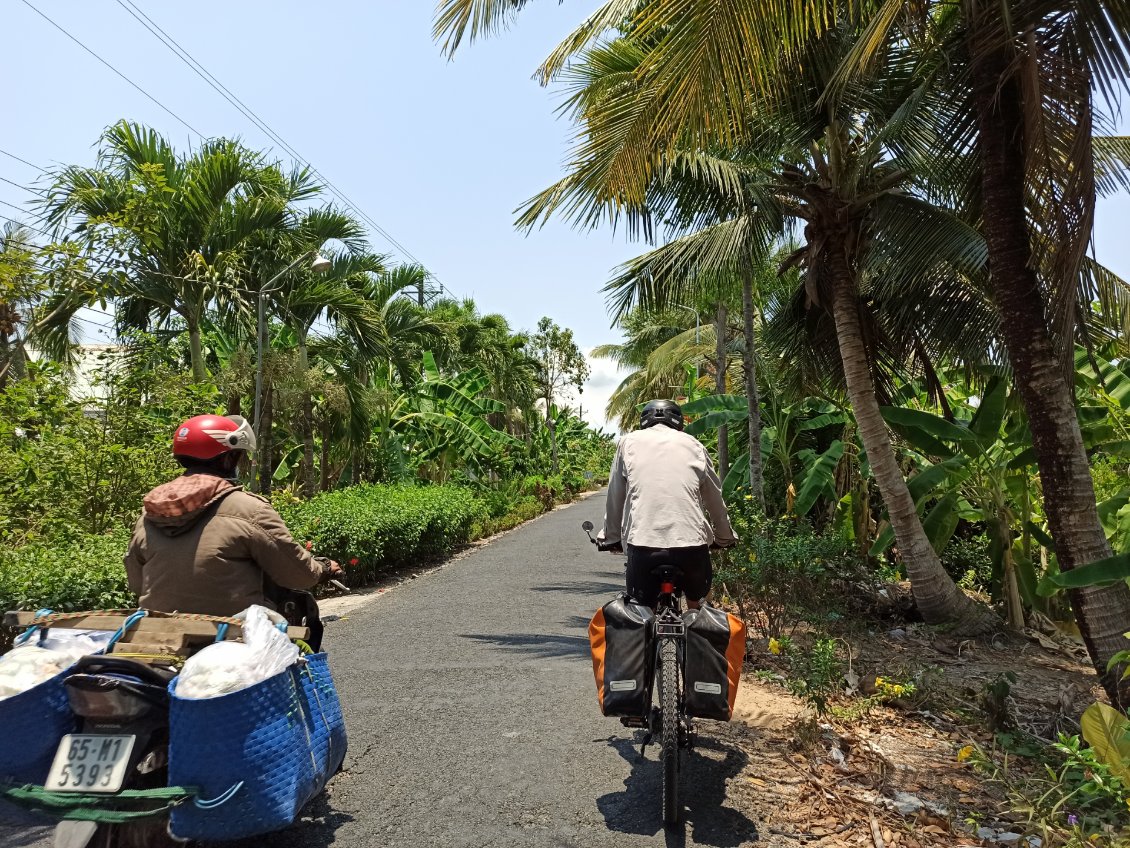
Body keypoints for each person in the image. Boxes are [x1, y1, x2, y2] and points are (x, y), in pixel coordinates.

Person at [124, 414, 343, 617]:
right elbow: (296, 573)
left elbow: (137, 581)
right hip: (231, 635)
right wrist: (323, 569)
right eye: (238, 457)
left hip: (158, 633)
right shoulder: (249, 509)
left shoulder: (151, 512)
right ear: (227, 461)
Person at [599, 399, 737, 608]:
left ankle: (646, 636)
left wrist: (612, 538)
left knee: (642, 612)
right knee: (697, 605)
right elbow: (714, 499)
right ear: (679, 424)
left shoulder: (628, 443)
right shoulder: (694, 445)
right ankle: (695, 623)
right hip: (692, 548)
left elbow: (615, 496)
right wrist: (724, 538)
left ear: (644, 423)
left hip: (643, 547)